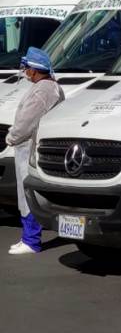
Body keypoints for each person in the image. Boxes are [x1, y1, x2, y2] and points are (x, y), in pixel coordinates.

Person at [6, 47, 64, 255]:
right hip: (28, 147)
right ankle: (28, 237)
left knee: (27, 195)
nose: (24, 71)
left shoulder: (43, 90)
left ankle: (31, 240)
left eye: (27, 67)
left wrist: (11, 137)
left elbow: (26, 121)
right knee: (25, 194)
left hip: (29, 147)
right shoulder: (46, 87)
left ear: (34, 69)